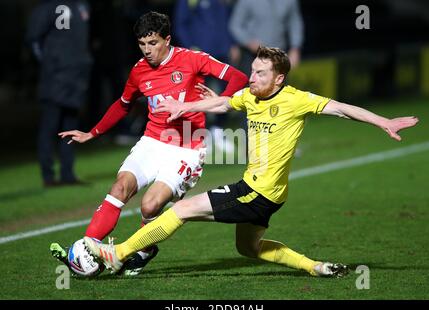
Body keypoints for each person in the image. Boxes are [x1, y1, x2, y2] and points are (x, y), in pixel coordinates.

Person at [83, 46, 419, 277]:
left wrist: (383, 122)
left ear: (279, 79)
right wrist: (187, 108)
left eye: (259, 73)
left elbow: (344, 109)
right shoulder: (250, 96)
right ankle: (314, 267)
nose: (252, 77)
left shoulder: (296, 100)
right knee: (250, 249)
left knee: (179, 211)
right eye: (252, 70)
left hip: (257, 192)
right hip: (271, 196)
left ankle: (120, 253)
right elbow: (223, 104)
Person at [50, 11, 248, 276]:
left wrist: (219, 100)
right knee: (121, 186)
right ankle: (88, 249)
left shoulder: (192, 59)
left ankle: (144, 249)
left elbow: (238, 78)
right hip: (153, 141)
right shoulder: (139, 71)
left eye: (153, 43)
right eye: (142, 44)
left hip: (188, 148)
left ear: (167, 39)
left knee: (150, 206)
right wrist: (92, 133)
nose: (147, 50)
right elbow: (123, 105)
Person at [26, 0, 92, 187]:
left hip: (75, 79)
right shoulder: (49, 7)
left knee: (70, 127)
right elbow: (33, 40)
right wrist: (50, 64)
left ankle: (67, 173)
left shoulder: (81, 6)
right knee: (50, 126)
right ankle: (48, 175)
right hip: (55, 78)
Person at [174, 0, 239, 153]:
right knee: (198, 94)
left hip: (222, 53)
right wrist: (190, 48)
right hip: (201, 56)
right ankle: (202, 135)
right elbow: (180, 25)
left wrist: (232, 44)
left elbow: (227, 20)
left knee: (226, 93)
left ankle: (218, 130)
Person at [229, 0, 304, 75]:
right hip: (252, 55)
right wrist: (248, 41)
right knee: (252, 85)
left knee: (279, 85)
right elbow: (235, 25)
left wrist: (295, 48)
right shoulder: (246, 1)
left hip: (278, 55)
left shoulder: (289, 1)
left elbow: (294, 23)